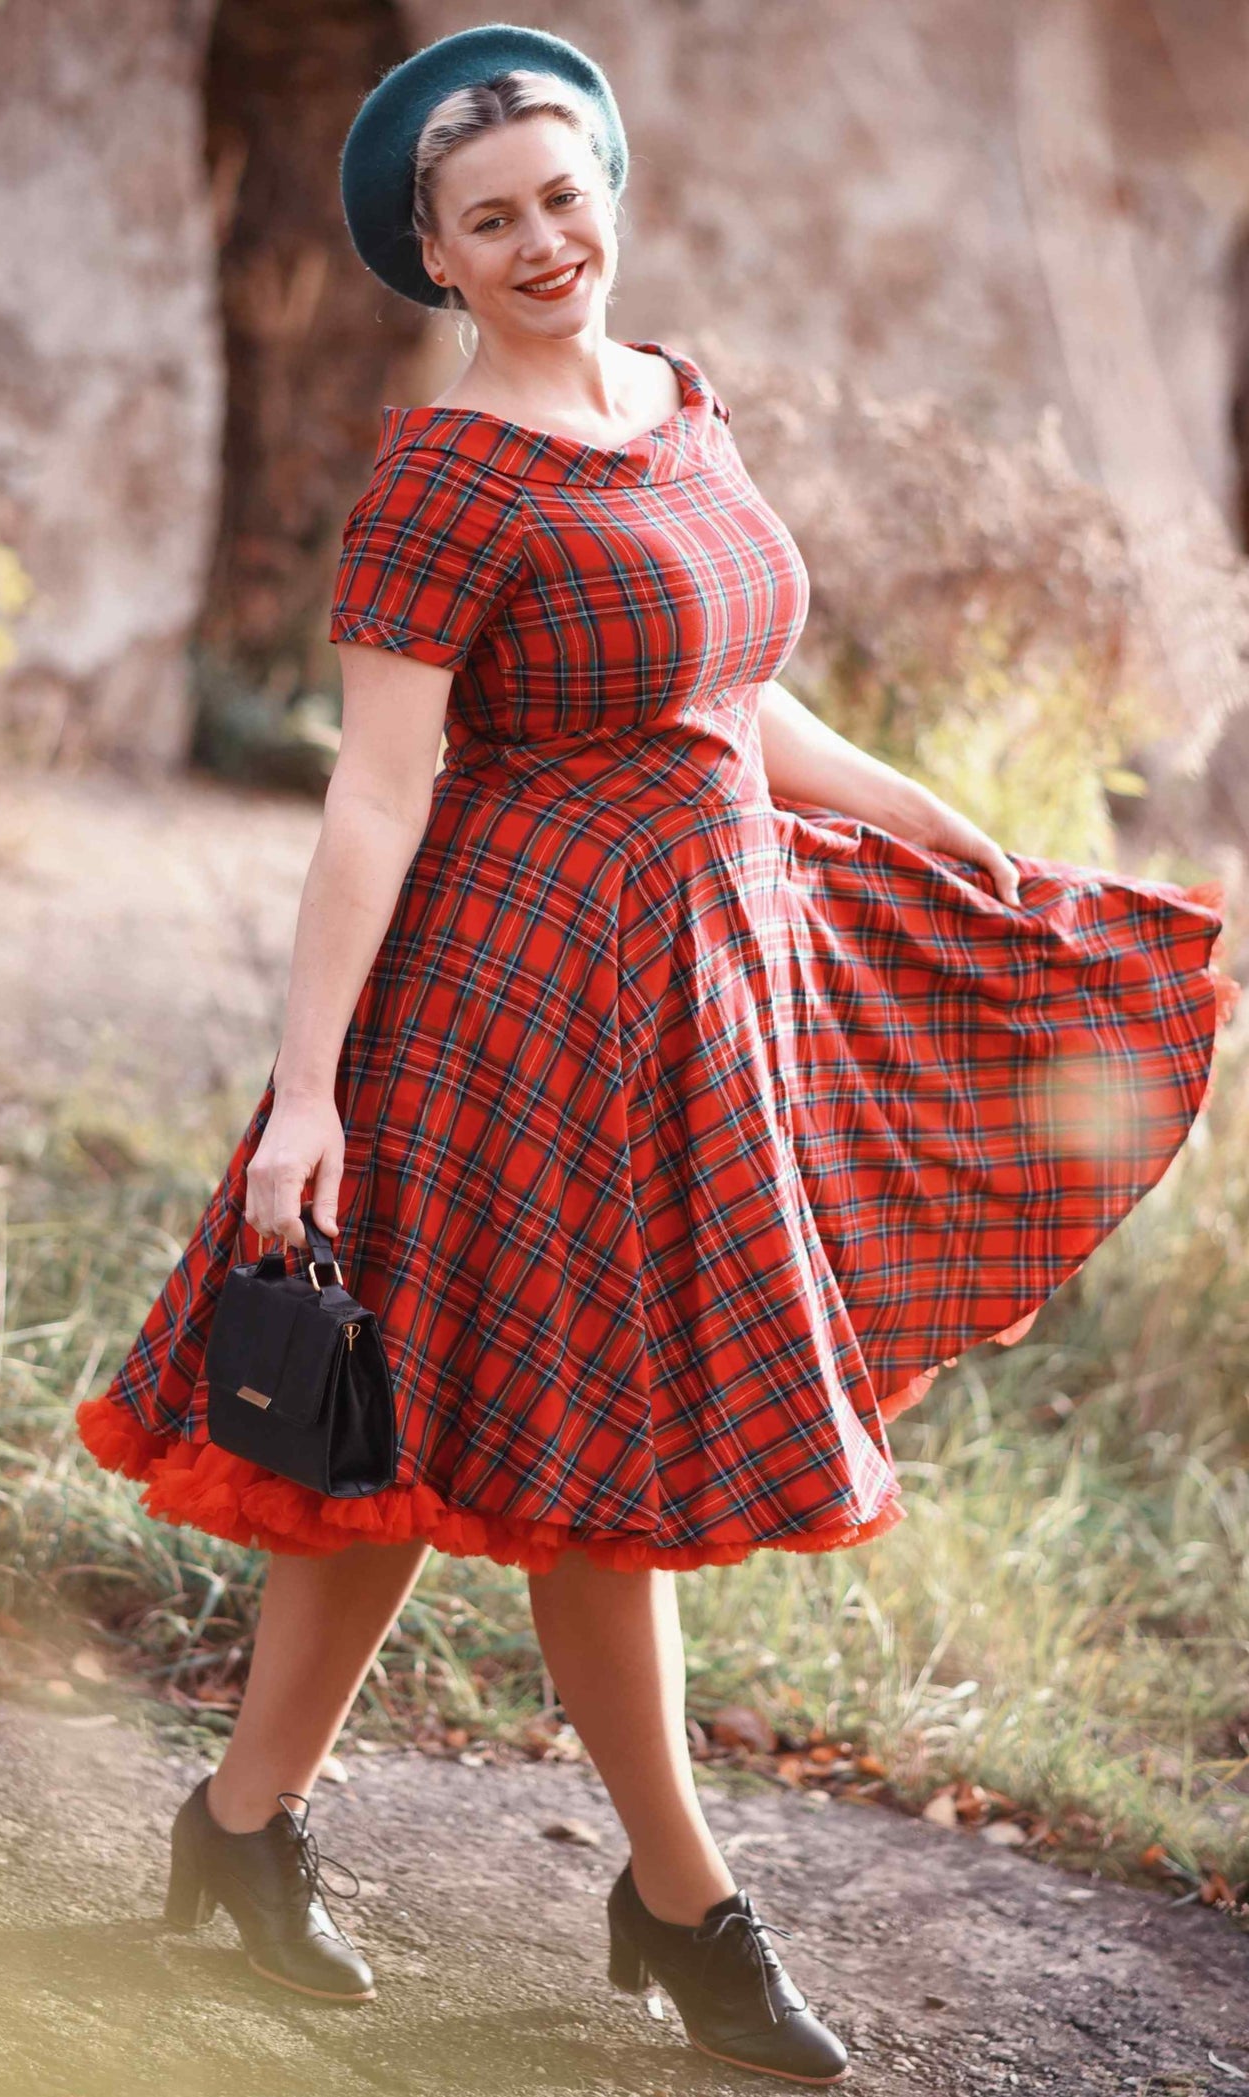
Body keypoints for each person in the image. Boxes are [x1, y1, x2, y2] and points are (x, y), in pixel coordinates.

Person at [74, 22, 1238, 2087]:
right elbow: (372, 795)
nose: (543, 239)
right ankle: (688, 1906)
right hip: (495, 1020)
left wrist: (924, 812)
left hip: (692, 998)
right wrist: (312, 1098)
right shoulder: (445, 476)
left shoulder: (676, 405)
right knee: (545, 1465)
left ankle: (235, 1836)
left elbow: (734, 695)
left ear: (610, 190)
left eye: (562, 193)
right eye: (491, 216)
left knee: (404, 1455)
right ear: (430, 253)